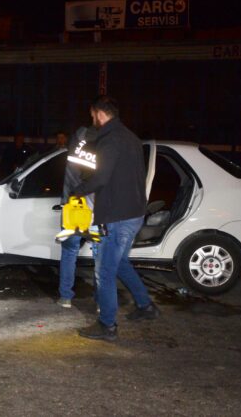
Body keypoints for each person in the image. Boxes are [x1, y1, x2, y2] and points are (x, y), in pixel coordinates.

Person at [71, 96, 159, 341]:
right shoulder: (130, 137)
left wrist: (77, 191)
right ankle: (146, 306)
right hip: (133, 213)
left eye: (92, 116)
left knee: (105, 271)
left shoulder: (110, 140)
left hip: (118, 216)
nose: (92, 121)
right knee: (119, 263)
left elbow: (101, 178)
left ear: (99, 114)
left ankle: (107, 326)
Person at [57, 125, 97, 308]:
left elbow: (70, 173)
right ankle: (101, 300)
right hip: (96, 206)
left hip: (73, 205)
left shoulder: (75, 142)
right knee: (101, 254)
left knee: (69, 251)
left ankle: (66, 297)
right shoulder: (106, 142)